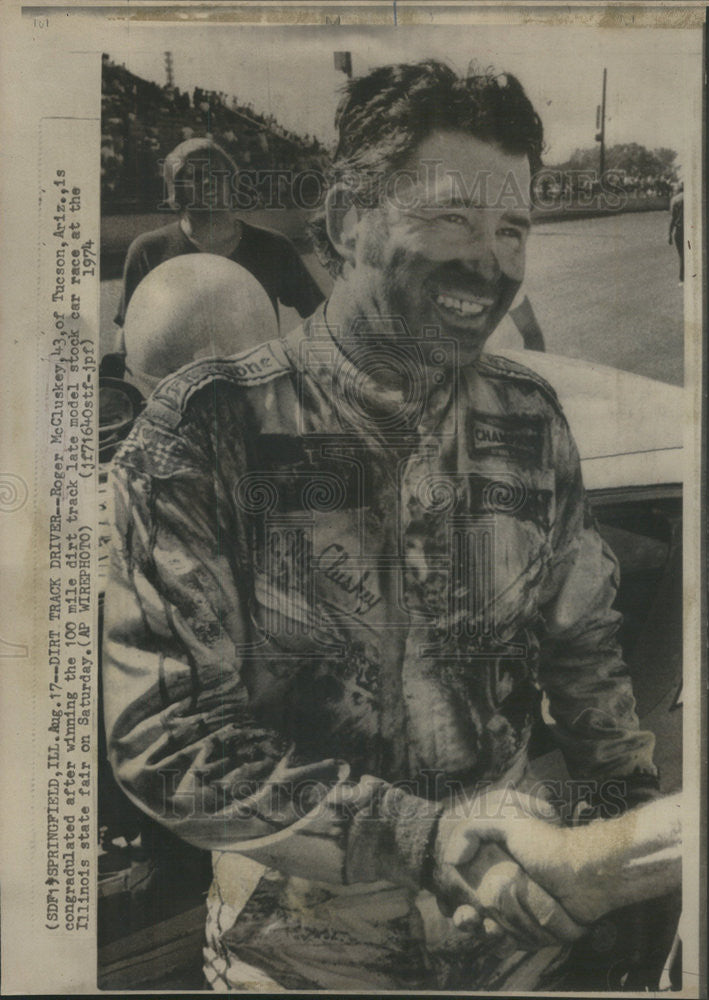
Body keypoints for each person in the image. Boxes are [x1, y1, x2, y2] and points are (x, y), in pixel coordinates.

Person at [103, 61, 672, 991]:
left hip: (517, 942)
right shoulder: (210, 433)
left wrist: (623, 855)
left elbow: (584, 657)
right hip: (300, 961)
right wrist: (427, 836)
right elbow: (169, 738)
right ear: (343, 221)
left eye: (512, 228)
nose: (488, 260)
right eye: (452, 217)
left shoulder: (528, 420)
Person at [101, 137, 324, 378]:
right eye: (194, 177)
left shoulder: (273, 246)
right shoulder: (148, 250)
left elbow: (318, 315)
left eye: (218, 174)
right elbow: (129, 326)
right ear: (176, 187)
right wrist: (114, 379)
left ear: (231, 182)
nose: (208, 182)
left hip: (257, 390)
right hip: (175, 392)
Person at [668, 181, 685, 285]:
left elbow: (673, 218)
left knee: (682, 255)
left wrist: (669, 234)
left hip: (679, 230)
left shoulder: (675, 200)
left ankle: (682, 278)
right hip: (689, 229)